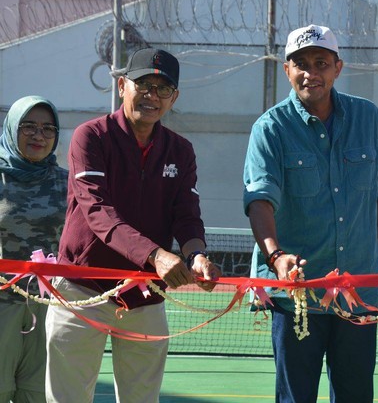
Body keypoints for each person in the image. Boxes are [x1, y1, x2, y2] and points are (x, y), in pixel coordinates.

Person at [45, 48, 221, 403]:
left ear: (175, 97)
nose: (152, 95)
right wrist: (156, 256)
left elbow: (186, 213)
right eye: (143, 84)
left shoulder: (180, 150)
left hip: (145, 295)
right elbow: (98, 212)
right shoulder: (90, 136)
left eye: (163, 88)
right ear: (123, 85)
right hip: (82, 289)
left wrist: (196, 255)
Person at [243, 24, 378, 403]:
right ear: (287, 70)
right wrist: (276, 258)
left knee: (356, 395)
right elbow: (259, 200)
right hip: (297, 297)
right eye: (301, 64)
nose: (311, 72)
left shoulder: (368, 118)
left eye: (321, 63)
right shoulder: (270, 128)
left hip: (358, 294)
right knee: (296, 397)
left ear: (337, 68)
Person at [0, 96, 67, 403]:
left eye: (48, 128)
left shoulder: (68, 183)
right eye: (28, 126)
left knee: (38, 396)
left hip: (49, 309)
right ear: (12, 128)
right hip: (2, 308)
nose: (39, 135)